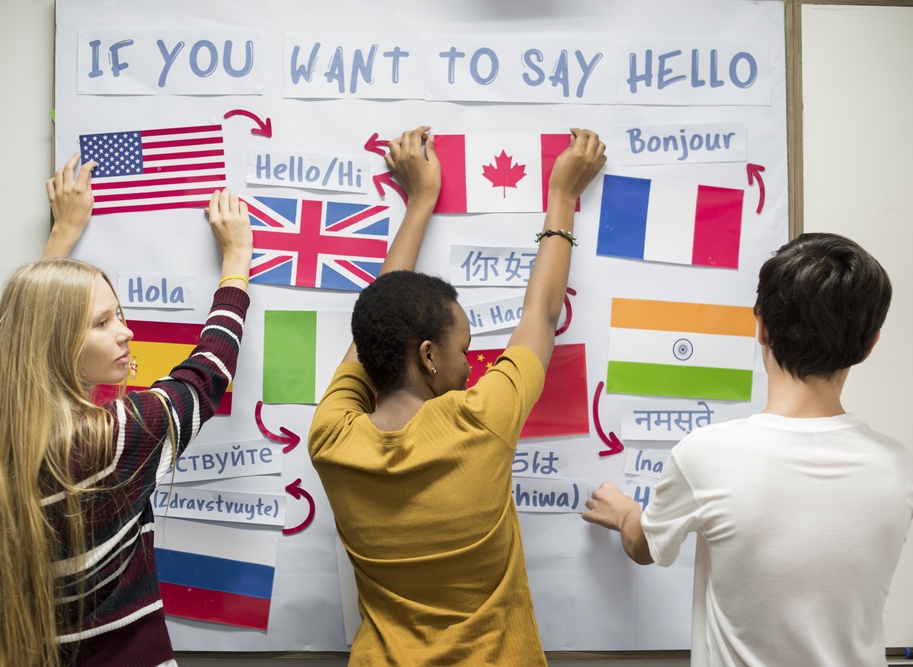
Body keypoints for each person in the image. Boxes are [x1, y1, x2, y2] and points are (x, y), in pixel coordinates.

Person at [308, 125, 606, 665]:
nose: (471, 365)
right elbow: (539, 315)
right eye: (463, 349)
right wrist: (564, 197)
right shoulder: (479, 421)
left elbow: (372, 325)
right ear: (427, 357)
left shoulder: (330, 436)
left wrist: (418, 201)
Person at [0, 153, 254, 667]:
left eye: (121, 314)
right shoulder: (111, 440)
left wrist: (62, 236)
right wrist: (236, 265)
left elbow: (27, 340)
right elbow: (204, 377)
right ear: (58, 338)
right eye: (103, 322)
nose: (126, 331)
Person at [582, 233, 913, 667]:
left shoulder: (706, 455)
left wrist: (627, 513)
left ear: (762, 328)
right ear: (870, 345)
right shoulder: (899, 467)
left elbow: (645, 546)